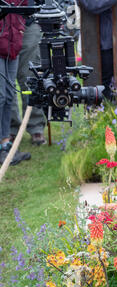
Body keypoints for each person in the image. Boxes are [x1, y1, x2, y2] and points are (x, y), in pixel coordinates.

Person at [9, 2, 47, 147]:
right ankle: (10, 129)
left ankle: (35, 126)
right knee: (6, 80)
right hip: (3, 24)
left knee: (31, 77)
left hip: (28, 21)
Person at [0, 0, 31, 166]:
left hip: (13, 46)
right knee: (1, 96)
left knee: (9, 95)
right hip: (2, 43)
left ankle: (5, 143)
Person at [77, 0, 117, 100]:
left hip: (113, 39)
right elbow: (92, 4)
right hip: (97, 43)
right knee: (99, 86)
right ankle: (100, 112)